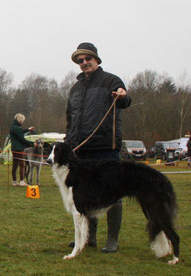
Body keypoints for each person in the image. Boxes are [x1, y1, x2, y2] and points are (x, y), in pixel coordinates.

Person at [65, 42, 131, 253]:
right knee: (85, 195)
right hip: (81, 150)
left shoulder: (111, 80)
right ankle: (88, 238)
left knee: (113, 193)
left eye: (87, 59)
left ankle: (112, 240)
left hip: (105, 146)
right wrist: (70, 144)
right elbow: (70, 118)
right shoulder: (75, 88)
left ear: (96, 59)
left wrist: (122, 95)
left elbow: (124, 100)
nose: (84, 63)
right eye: (80, 60)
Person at [9, 113, 34, 186]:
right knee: (22, 164)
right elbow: (22, 139)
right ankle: (22, 181)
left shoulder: (13, 127)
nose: (23, 122)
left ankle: (14, 181)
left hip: (14, 148)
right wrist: (32, 144)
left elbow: (20, 133)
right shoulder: (17, 128)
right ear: (20, 120)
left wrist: (27, 129)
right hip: (19, 149)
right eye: (22, 120)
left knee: (15, 165)